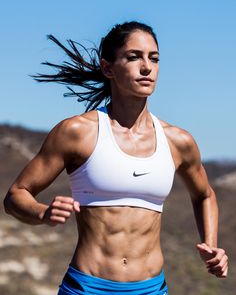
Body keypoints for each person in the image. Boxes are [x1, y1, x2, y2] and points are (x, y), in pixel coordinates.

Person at [4, 21, 228, 295]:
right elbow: (16, 195)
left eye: (154, 58)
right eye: (134, 56)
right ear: (108, 67)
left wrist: (212, 245)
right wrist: (43, 212)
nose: (147, 67)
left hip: (152, 289)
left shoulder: (177, 141)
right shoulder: (77, 132)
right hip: (87, 287)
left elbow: (205, 194)